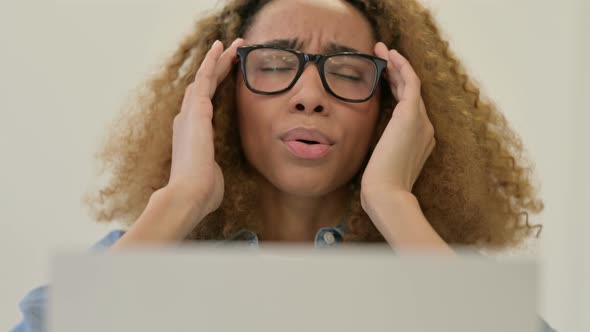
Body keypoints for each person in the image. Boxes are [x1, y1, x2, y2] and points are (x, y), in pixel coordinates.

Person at [12, 0, 555, 331]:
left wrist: (394, 203)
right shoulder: (141, 257)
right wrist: (180, 200)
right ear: (225, 95)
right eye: (274, 65)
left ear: (389, 108)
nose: (310, 95)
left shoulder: (442, 272)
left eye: (346, 72)